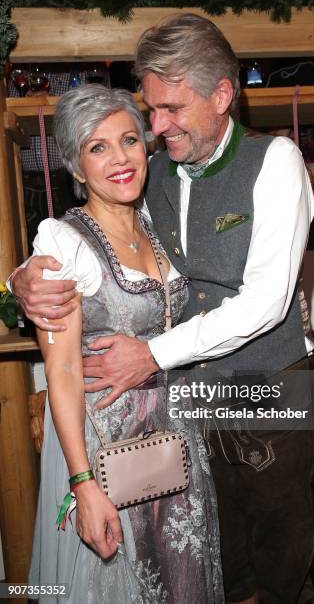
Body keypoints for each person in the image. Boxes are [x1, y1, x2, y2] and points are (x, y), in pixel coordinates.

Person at [12, 14, 314, 604]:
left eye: (169, 110)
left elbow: (265, 302)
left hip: (270, 390)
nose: (155, 129)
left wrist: (150, 354)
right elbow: (84, 242)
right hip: (186, 406)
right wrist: (21, 279)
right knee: (218, 561)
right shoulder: (152, 177)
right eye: (149, 111)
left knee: (279, 561)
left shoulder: (275, 161)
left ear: (222, 95)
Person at [26, 84, 223, 604]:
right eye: (98, 147)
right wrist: (83, 483)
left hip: (176, 440)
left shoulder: (155, 224)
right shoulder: (63, 243)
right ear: (74, 164)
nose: (120, 159)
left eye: (130, 140)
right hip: (109, 452)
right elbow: (63, 373)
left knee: (186, 577)